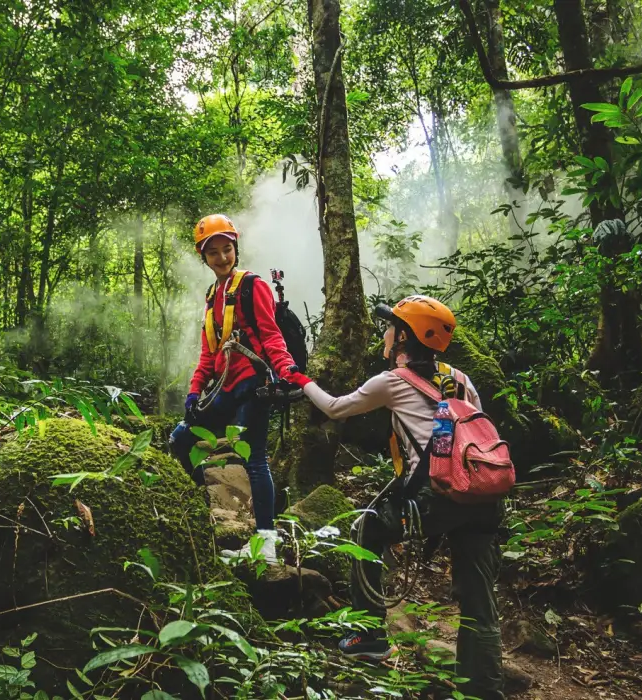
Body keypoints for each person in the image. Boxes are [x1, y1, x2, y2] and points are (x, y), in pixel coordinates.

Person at [285, 295, 507, 699]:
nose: (385, 334)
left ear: (404, 336)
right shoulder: (461, 379)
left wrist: (302, 382)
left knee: (366, 527)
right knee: (479, 599)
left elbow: (336, 408)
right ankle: (483, 690)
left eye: (391, 327)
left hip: (439, 497)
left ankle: (368, 634)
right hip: (481, 497)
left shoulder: (392, 381)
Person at [171, 214, 304, 563]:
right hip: (223, 388)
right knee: (180, 441)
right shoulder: (213, 295)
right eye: (213, 252)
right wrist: (194, 392)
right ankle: (205, 516)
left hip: (252, 384)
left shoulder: (252, 286)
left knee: (254, 459)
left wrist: (286, 370)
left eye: (226, 249)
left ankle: (266, 543)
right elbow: (208, 353)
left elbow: (272, 335)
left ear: (235, 249)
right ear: (204, 257)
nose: (222, 258)